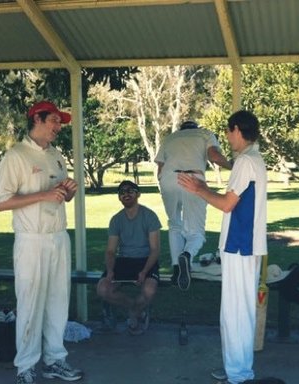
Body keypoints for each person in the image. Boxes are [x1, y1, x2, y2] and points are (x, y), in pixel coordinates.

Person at [0, 100, 82, 384]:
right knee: (31, 303)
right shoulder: (16, 156)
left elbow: (58, 196)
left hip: (59, 238)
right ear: (38, 119)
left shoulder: (56, 155)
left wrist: (66, 192)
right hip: (31, 241)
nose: (59, 127)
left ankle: (56, 360)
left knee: (58, 302)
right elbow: (2, 202)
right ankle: (26, 367)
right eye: (55, 120)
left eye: (60, 122)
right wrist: (43, 195)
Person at [178, 110, 267, 384]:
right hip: (244, 246)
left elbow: (227, 204)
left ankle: (238, 374)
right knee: (239, 312)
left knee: (235, 313)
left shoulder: (245, 162)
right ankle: (238, 369)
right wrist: (204, 187)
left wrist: (198, 190)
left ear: (237, 130)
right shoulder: (253, 159)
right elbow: (233, 200)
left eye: (229, 132)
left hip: (239, 246)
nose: (227, 138)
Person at [154, 120, 231, 291]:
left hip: (168, 179)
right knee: (196, 232)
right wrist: (233, 165)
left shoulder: (170, 138)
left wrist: (165, 182)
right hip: (193, 178)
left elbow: (160, 167)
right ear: (196, 127)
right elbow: (214, 156)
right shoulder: (205, 134)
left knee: (174, 224)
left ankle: (176, 269)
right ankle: (187, 256)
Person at [96, 180, 162, 336]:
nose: (126, 194)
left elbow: (155, 249)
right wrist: (110, 271)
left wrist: (144, 272)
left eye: (130, 191)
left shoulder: (150, 216)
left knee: (149, 290)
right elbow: (111, 251)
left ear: (138, 194)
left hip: (146, 259)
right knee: (103, 288)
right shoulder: (116, 219)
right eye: (122, 192)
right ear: (119, 197)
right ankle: (135, 309)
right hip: (124, 260)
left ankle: (133, 315)